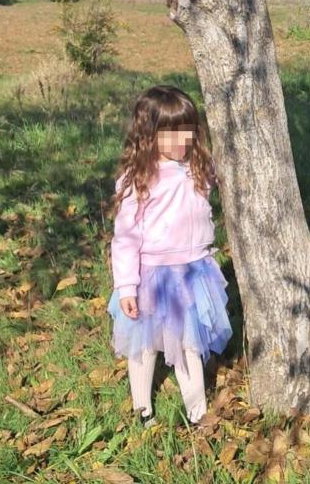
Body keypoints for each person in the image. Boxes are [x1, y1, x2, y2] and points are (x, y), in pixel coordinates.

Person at [107, 85, 232, 427]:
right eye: (170, 132)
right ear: (149, 134)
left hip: (194, 271)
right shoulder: (138, 179)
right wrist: (127, 287)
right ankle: (142, 407)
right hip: (152, 275)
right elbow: (125, 239)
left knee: (189, 345)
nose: (181, 140)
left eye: (186, 130)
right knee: (143, 346)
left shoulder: (199, 168)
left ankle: (197, 411)